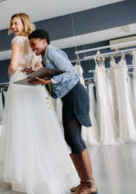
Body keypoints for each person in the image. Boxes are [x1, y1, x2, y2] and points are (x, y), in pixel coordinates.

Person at [0, 13, 78, 194]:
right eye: (12, 24)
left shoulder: (17, 41)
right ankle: (48, 168)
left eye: (16, 23)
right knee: (40, 125)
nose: (14, 27)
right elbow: (37, 66)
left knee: (22, 126)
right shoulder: (33, 43)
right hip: (34, 83)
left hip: (20, 84)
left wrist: (11, 71)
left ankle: (26, 173)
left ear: (23, 23)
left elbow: (13, 65)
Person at [28, 29, 98, 194]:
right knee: (71, 138)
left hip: (75, 94)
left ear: (44, 40)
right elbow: (55, 74)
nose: (32, 48)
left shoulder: (51, 51)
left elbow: (70, 72)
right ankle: (84, 183)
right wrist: (36, 75)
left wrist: (47, 80)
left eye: (34, 44)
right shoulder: (46, 56)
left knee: (74, 138)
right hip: (69, 96)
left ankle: (90, 185)